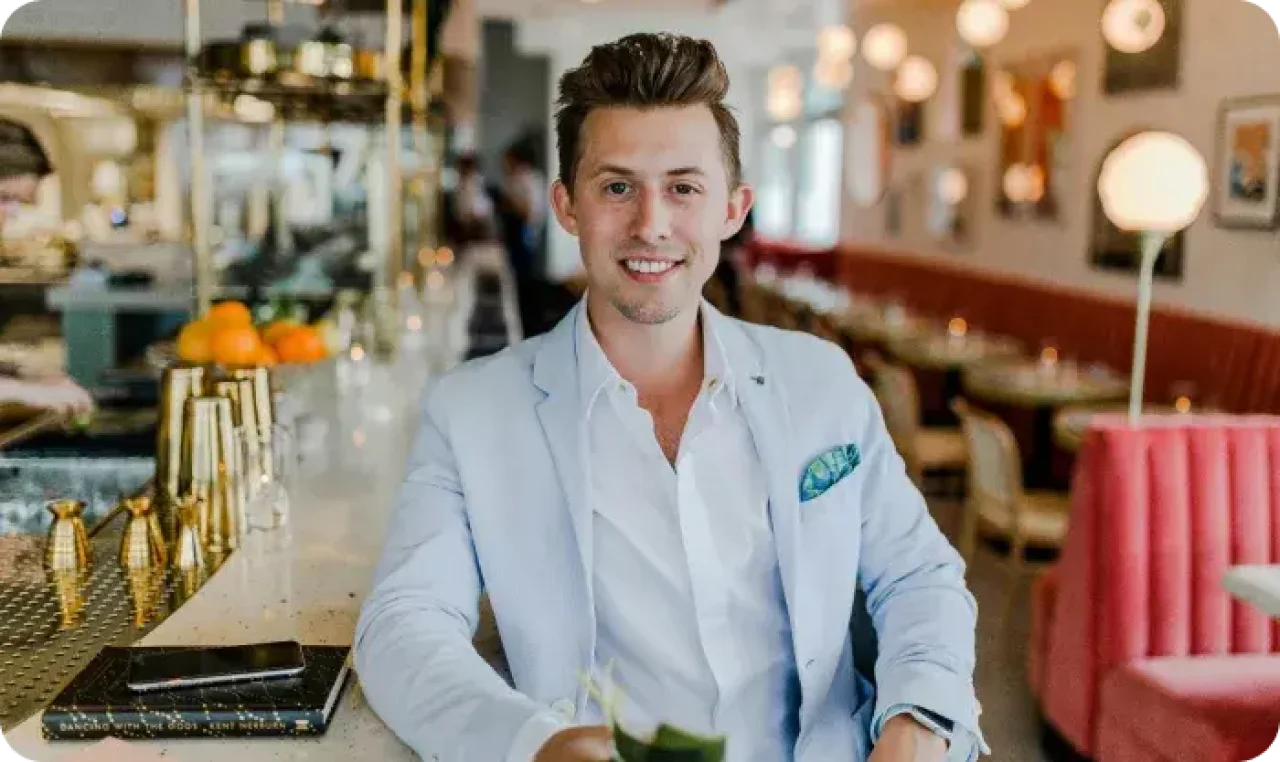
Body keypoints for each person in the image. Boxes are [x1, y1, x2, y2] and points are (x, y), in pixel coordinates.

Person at [355, 32, 988, 762]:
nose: (651, 222)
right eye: (617, 186)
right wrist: (534, 744)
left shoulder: (821, 381)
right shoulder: (471, 412)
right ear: (567, 206)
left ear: (733, 208)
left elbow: (918, 575)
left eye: (684, 187)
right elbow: (401, 626)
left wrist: (918, 724)